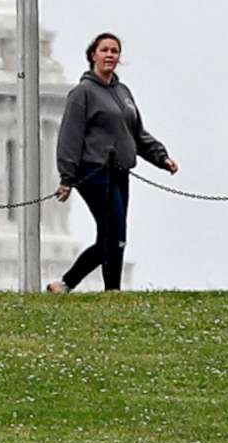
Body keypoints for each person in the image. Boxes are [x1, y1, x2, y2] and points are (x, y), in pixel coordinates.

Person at [49, 31, 180, 292]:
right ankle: (68, 283)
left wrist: (160, 156)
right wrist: (67, 177)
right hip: (93, 170)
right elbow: (69, 136)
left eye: (114, 51)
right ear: (93, 55)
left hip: (120, 171)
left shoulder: (123, 92)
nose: (110, 55)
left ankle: (111, 291)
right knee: (113, 234)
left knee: (115, 236)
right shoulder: (82, 92)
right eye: (105, 50)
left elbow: (136, 132)